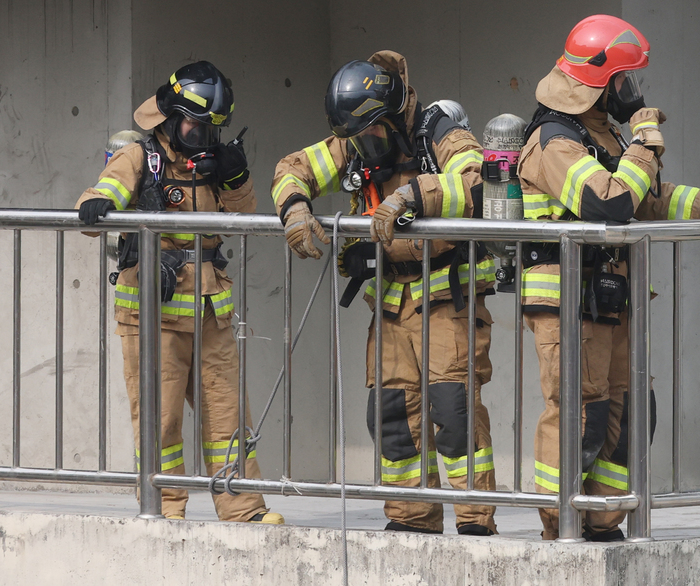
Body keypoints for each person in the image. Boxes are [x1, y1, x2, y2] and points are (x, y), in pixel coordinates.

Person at [518, 14, 700, 541]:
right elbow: (608, 203)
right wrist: (646, 145)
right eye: (625, 80)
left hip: (610, 298)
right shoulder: (553, 141)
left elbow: (649, 197)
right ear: (600, 81)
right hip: (569, 302)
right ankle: (561, 521)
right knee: (580, 417)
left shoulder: (601, 133)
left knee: (629, 413)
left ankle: (605, 518)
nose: (632, 92)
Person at [272, 51, 498, 535]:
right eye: (352, 140)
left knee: (453, 412)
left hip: (447, 301)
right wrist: (293, 207)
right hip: (392, 308)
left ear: (392, 117)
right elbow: (293, 168)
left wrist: (412, 196)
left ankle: (477, 525)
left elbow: (477, 181)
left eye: (371, 135)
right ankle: (412, 521)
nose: (362, 148)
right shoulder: (355, 139)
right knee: (394, 417)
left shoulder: (435, 129)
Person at [76, 61, 283, 524]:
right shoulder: (141, 157)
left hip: (211, 316)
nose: (202, 137)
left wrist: (235, 176)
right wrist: (101, 203)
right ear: (170, 117)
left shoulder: (214, 165)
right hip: (153, 315)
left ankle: (244, 510)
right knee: (161, 420)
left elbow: (244, 215)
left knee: (229, 417)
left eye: (211, 129)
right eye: (195, 125)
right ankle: (166, 511)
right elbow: (104, 188)